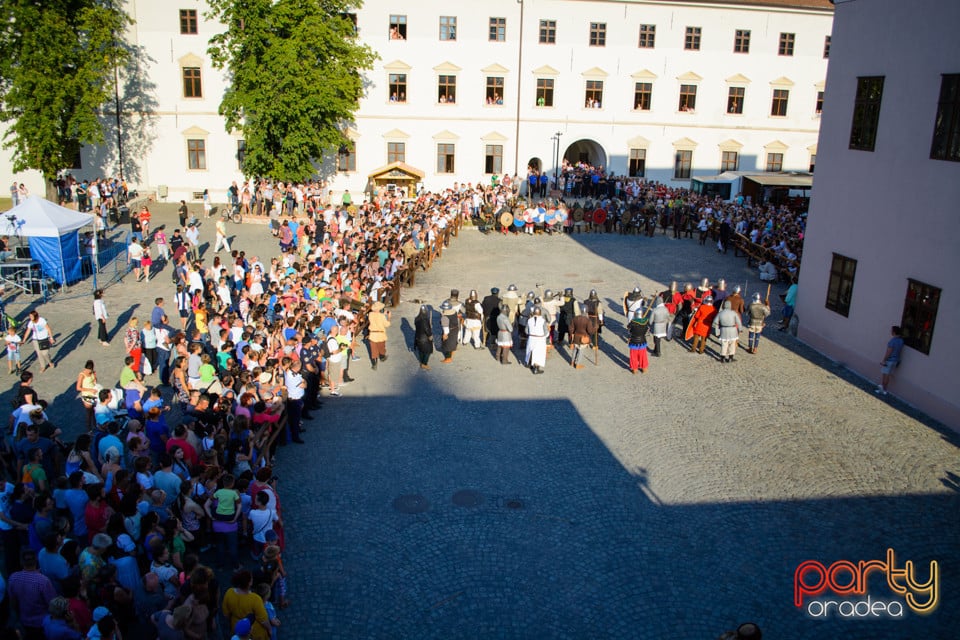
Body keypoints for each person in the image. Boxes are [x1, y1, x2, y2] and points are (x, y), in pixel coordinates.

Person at [9, 548, 57, 639]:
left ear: (21, 562)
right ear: (36, 561)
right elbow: (53, 604)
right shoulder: (43, 581)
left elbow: (13, 602)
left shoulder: (13, 578)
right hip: (42, 623)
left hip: (23, 621)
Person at [877, 325, 904, 395]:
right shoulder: (901, 341)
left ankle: (883, 389)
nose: (891, 332)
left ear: (894, 332)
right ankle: (884, 389)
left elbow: (889, 351)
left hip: (889, 360)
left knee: (885, 375)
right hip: (895, 360)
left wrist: (884, 360)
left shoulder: (892, 341)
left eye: (891, 331)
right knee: (888, 375)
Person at [76, 360, 100, 431]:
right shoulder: (82, 375)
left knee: (94, 411)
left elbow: (95, 382)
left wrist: (95, 376)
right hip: (87, 395)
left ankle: (95, 425)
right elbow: (78, 388)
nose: (88, 371)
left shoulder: (92, 373)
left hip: (94, 394)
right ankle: (89, 428)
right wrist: (90, 390)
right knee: (89, 412)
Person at [366, 301, 391, 369]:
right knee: (381, 347)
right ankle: (382, 357)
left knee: (373, 349)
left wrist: (383, 314)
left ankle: (374, 363)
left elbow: (376, 316)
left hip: (373, 334)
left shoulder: (370, 314)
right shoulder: (382, 316)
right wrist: (388, 317)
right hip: (380, 334)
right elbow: (387, 324)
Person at [525, 306, 548, 374]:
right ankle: (536, 369)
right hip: (540, 339)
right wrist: (545, 336)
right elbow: (546, 332)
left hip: (531, 338)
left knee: (530, 351)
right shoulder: (543, 321)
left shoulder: (529, 320)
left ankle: (529, 363)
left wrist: (531, 334)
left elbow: (526, 331)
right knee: (539, 354)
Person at [626, 309, 650, 374]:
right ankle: (644, 368)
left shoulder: (633, 322)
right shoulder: (646, 321)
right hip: (642, 340)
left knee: (634, 356)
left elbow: (628, 328)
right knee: (643, 355)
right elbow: (648, 330)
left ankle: (635, 369)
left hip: (634, 341)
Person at [413, 305, 433, 370]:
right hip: (425, 338)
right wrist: (430, 335)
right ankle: (424, 364)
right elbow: (426, 329)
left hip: (418, 337)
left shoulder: (416, 318)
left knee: (421, 350)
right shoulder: (425, 319)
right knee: (427, 351)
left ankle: (421, 361)